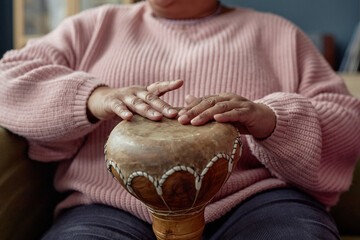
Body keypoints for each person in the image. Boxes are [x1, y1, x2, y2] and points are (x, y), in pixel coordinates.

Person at [1, 0, 360, 239]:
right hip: (108, 207)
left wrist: (269, 119)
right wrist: (95, 97)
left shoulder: (279, 34)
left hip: (254, 202)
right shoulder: (91, 27)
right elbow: (8, 77)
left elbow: (346, 120)